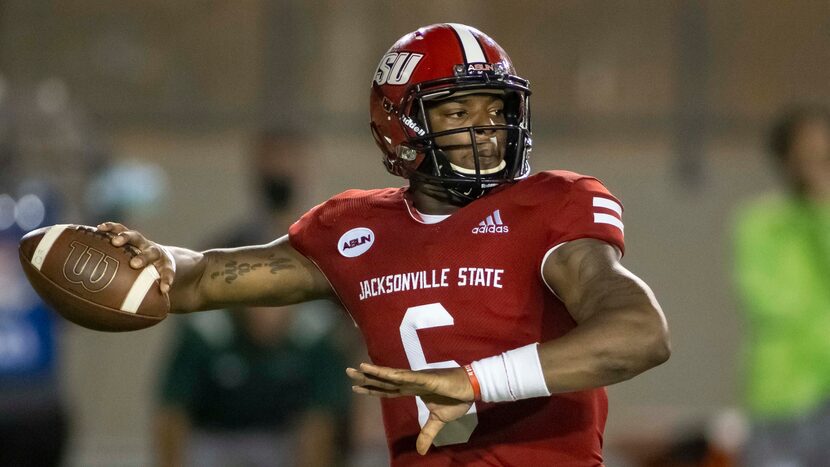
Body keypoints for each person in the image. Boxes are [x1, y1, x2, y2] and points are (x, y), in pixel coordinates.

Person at [99, 23, 670, 466]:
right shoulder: (353, 230)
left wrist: (474, 382)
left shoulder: (550, 207)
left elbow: (640, 334)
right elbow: (200, 277)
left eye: (496, 108)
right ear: (400, 125)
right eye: (457, 110)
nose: (487, 127)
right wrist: (154, 258)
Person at [732, 105, 830, 466]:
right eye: (805, 153)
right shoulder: (760, 223)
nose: (814, 164)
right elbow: (769, 302)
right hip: (783, 396)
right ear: (785, 158)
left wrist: (823, 209)